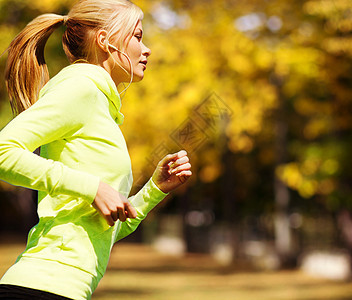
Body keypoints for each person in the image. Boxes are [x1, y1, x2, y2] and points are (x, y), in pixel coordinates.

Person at [0, 0, 192, 299]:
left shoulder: (101, 106)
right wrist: (92, 188)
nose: (147, 49)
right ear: (105, 41)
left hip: (66, 289)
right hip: (41, 286)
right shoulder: (81, 89)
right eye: (138, 36)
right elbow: (4, 152)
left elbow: (105, 229)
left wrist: (155, 189)